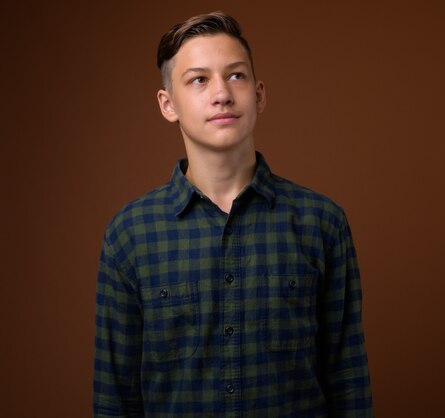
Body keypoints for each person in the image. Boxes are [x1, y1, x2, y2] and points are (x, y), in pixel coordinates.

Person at [94, 11, 373, 417]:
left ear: (259, 94)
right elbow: (114, 397)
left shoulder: (321, 223)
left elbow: (348, 382)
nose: (222, 93)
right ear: (168, 104)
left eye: (236, 76)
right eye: (199, 79)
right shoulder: (130, 235)